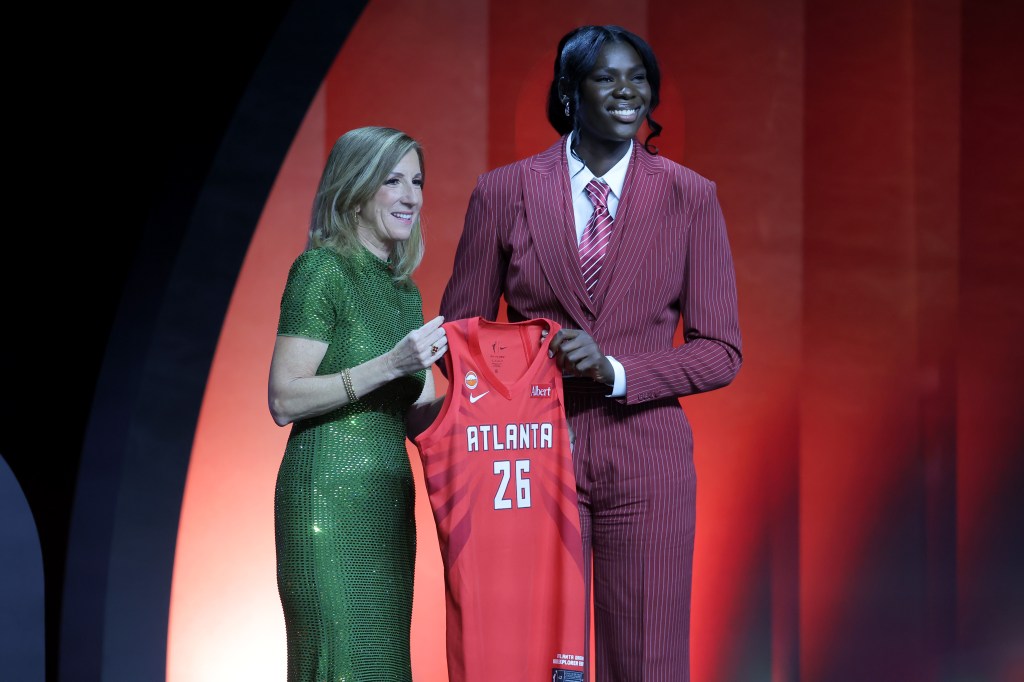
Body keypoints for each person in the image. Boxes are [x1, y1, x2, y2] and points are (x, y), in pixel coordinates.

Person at [440, 25, 742, 681]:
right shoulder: (505, 192)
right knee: (536, 660)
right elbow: (459, 338)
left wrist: (615, 371)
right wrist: (527, 368)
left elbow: (721, 352)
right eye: (607, 77)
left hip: (648, 462)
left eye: (638, 78)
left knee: (648, 662)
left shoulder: (691, 197)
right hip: (531, 459)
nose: (627, 91)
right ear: (569, 93)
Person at [268, 126, 447, 681]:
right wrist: (391, 364)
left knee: (385, 667)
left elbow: (413, 415)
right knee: (336, 664)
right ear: (354, 189)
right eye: (392, 180)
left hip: (389, 503)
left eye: (417, 181)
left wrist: (500, 399)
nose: (411, 196)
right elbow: (283, 396)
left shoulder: (404, 291)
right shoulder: (322, 271)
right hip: (326, 500)